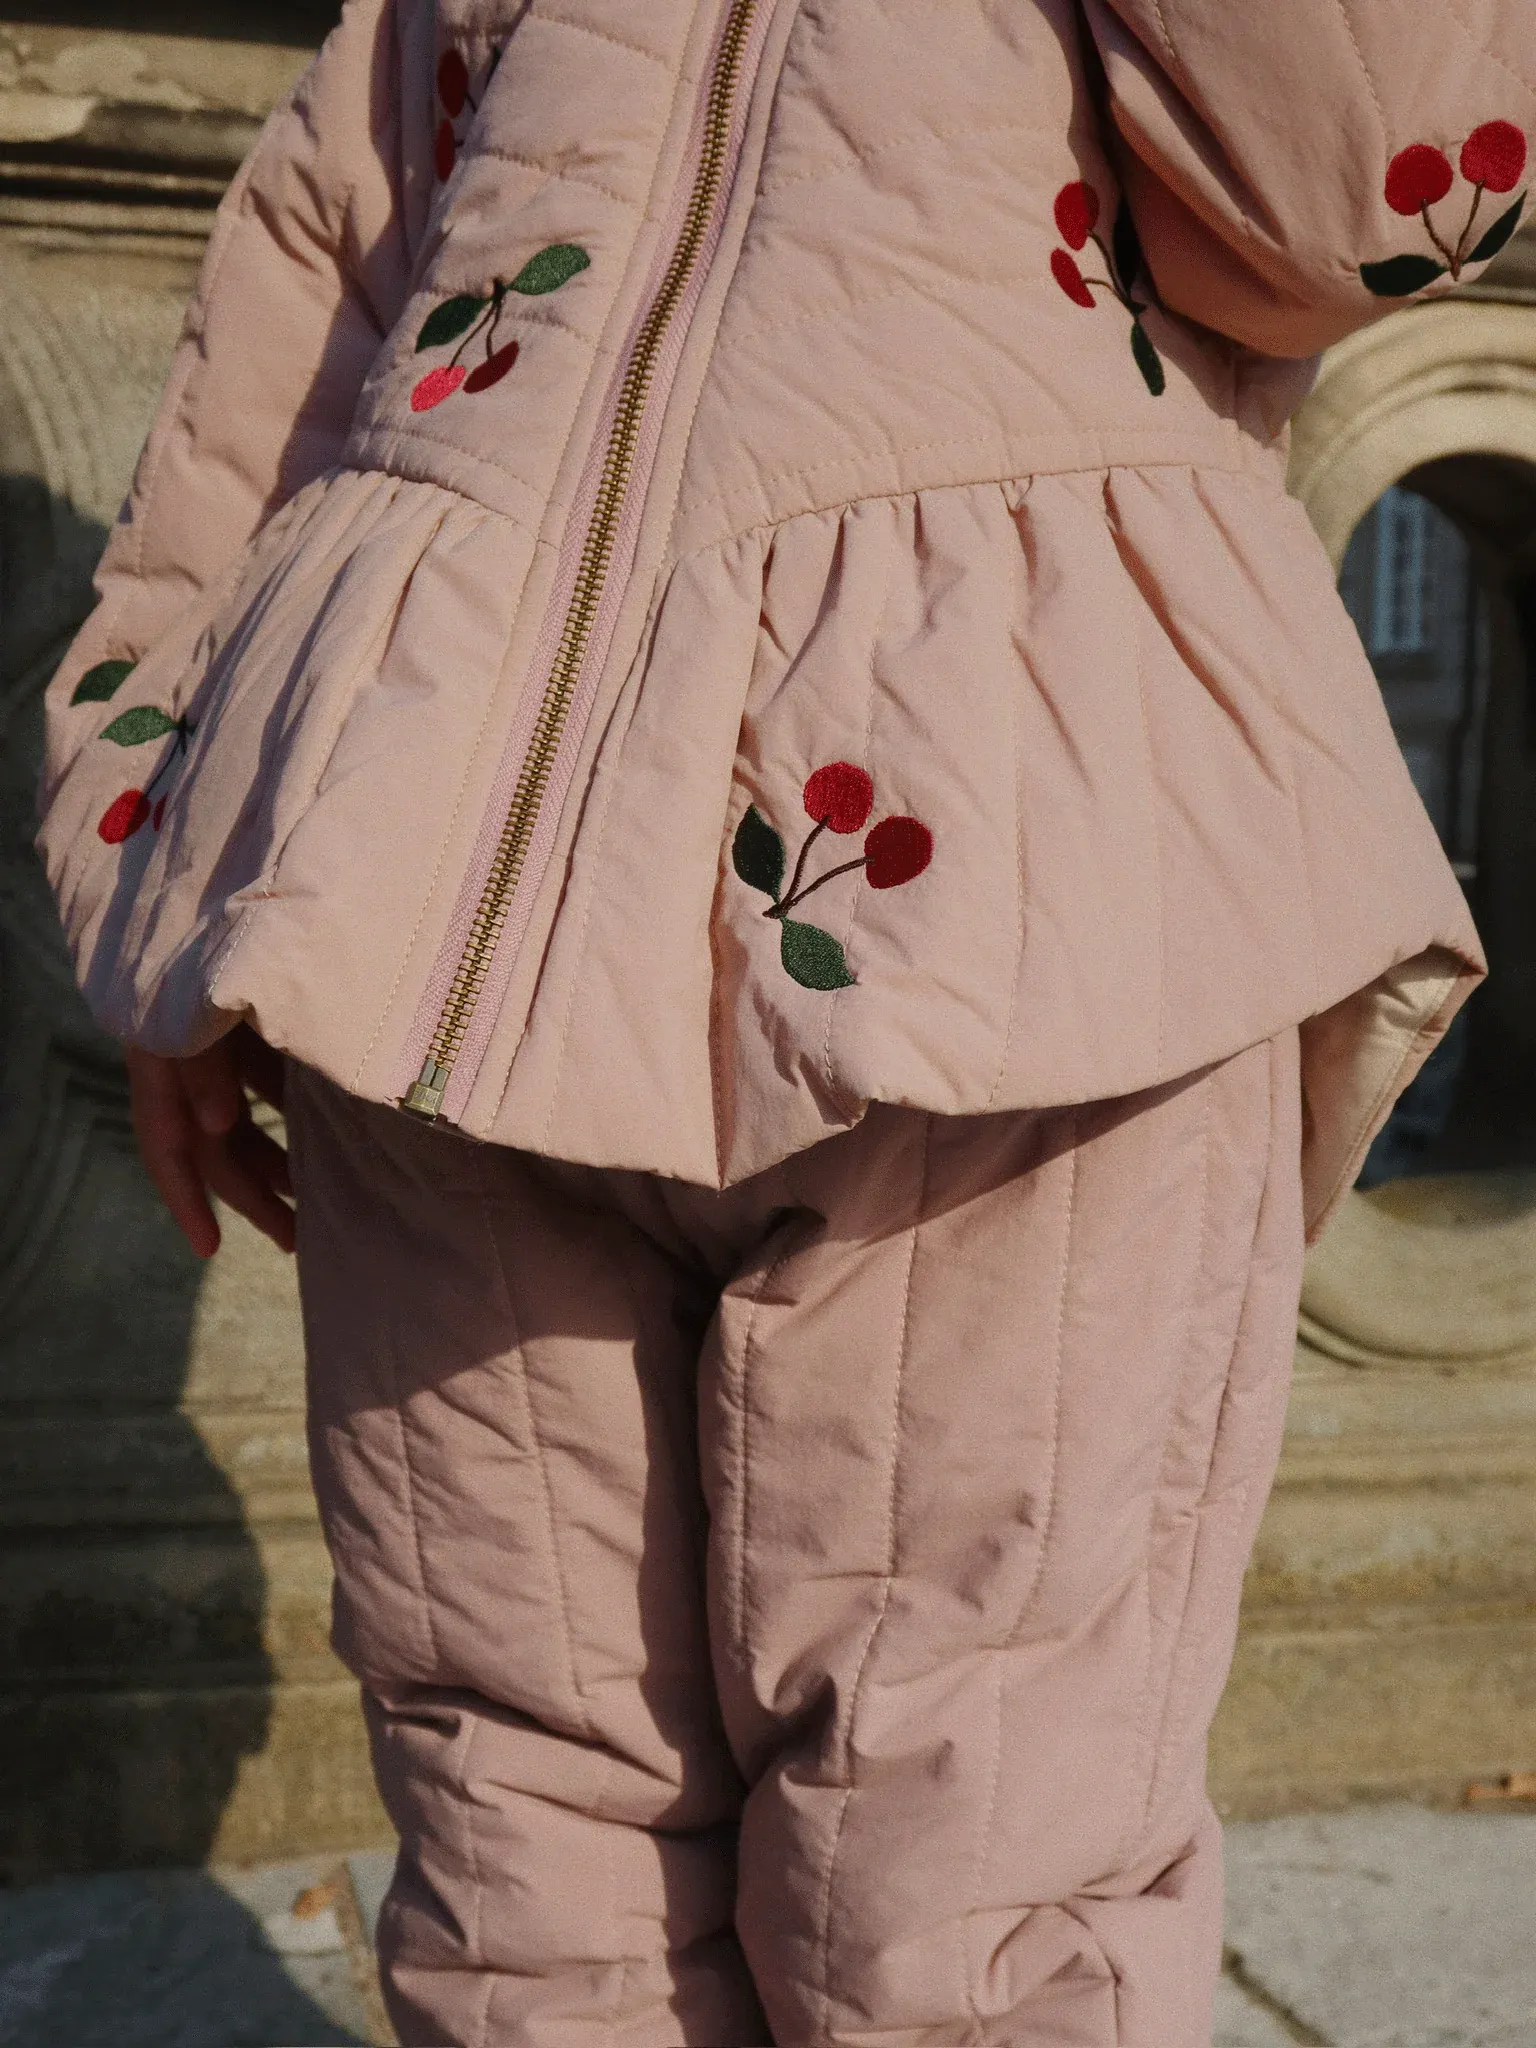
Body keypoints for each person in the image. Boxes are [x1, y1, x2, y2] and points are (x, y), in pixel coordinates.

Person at [37, 0, 1522, 2039]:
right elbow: (300, 323)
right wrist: (159, 862)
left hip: (1023, 934)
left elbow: (1373, 191)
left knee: (971, 1869)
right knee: (521, 1841)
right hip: (430, 916)